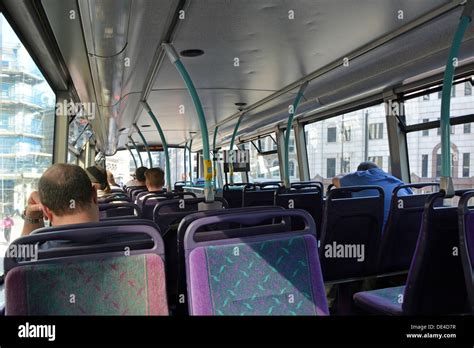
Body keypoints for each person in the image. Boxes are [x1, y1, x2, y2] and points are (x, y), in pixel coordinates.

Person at [21, 164, 100, 236]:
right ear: (94, 195)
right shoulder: (112, 239)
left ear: (46, 211)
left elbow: (19, 251)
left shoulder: (40, 250)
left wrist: (32, 218)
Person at [332, 161, 412, 224]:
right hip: (404, 235)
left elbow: (335, 180)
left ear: (360, 172)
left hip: (375, 236)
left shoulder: (359, 178)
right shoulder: (398, 182)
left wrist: (352, 174)